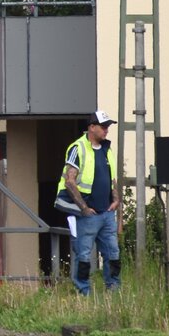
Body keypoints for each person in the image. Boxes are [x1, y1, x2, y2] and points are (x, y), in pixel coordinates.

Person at [54, 110, 121, 294]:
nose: (107, 130)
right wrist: (84, 208)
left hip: (107, 212)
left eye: (108, 126)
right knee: (83, 256)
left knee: (113, 254)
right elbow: (70, 180)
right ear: (92, 127)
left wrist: (116, 200)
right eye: (103, 126)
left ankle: (113, 292)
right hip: (88, 214)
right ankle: (83, 294)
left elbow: (112, 178)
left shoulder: (107, 149)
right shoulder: (78, 148)